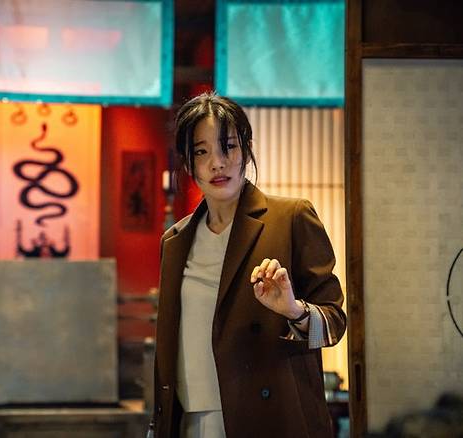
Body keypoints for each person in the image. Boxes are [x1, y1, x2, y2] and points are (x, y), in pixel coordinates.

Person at [148, 92, 346, 438]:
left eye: (228, 147)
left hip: (268, 420)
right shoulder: (175, 241)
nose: (217, 163)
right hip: (187, 420)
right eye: (201, 151)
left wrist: (294, 310)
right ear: (188, 163)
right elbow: (168, 347)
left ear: (246, 150)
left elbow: (335, 323)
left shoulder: (290, 218)